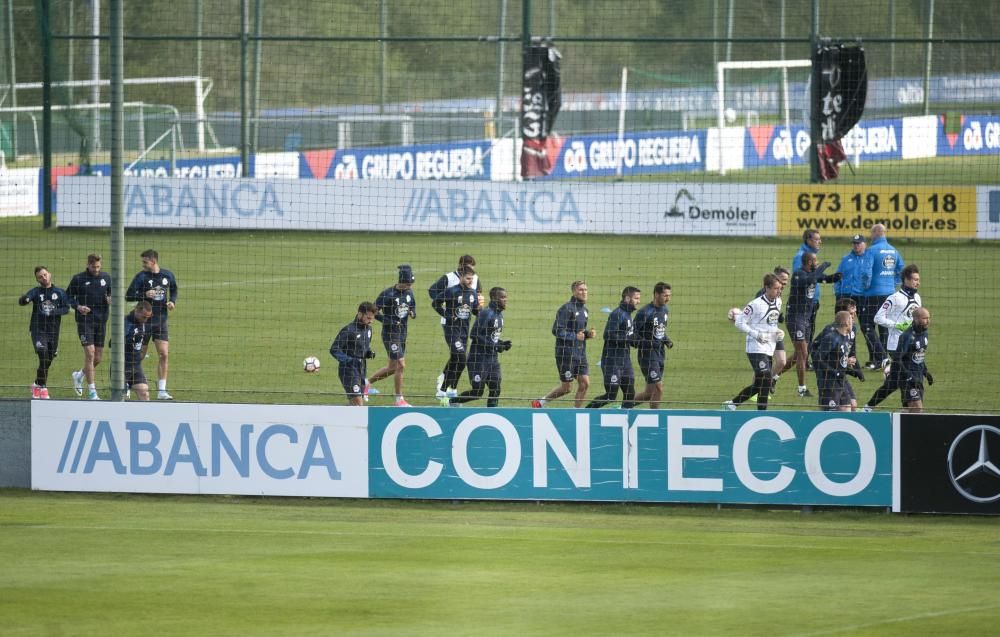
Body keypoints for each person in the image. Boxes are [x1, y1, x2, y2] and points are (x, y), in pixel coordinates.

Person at [781, 252, 841, 398]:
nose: (817, 262)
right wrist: (823, 266)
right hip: (795, 318)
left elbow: (824, 279)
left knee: (798, 355)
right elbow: (810, 280)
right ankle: (802, 389)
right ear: (809, 262)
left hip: (806, 319)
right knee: (803, 353)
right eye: (815, 260)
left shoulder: (811, 273)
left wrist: (836, 277)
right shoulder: (798, 275)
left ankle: (773, 376)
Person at [863, 265, 922, 411]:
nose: (917, 283)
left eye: (918, 280)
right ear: (906, 280)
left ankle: (868, 407)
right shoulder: (894, 298)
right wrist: (896, 325)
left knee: (894, 384)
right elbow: (878, 318)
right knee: (905, 380)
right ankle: (909, 408)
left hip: (911, 346)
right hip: (896, 346)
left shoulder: (917, 297)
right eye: (915, 280)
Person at [724, 273, 784, 411]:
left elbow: (771, 322)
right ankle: (761, 414)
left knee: (759, 385)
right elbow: (739, 322)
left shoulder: (778, 301)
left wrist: (777, 331)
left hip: (769, 346)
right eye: (776, 288)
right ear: (767, 288)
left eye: (780, 288)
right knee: (767, 376)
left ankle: (731, 405)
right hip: (755, 347)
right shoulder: (755, 304)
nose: (779, 291)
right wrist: (756, 334)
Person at [532, 280, 596, 408]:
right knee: (567, 388)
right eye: (581, 290)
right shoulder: (566, 309)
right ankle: (539, 403)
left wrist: (588, 334)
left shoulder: (585, 310)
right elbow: (556, 330)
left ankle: (576, 412)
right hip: (566, 354)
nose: (584, 292)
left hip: (580, 353)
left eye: (586, 290)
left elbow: (579, 332)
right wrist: (575, 336)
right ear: (574, 292)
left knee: (585, 383)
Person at [125, 249, 178, 400]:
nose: (143, 265)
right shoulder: (141, 277)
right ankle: (127, 384)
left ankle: (162, 390)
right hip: (144, 322)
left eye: (145, 262)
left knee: (164, 353)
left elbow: (174, 289)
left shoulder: (167, 275)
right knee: (138, 355)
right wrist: (144, 295)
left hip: (161, 321)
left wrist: (172, 301)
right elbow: (128, 295)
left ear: (153, 261)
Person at [428, 255, 483, 397]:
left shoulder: (472, 292)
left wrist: (480, 310)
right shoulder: (451, 289)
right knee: (461, 358)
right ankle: (443, 389)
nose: (471, 281)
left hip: (464, 329)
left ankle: (451, 388)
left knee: (457, 359)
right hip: (451, 328)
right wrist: (446, 313)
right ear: (461, 277)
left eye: (472, 278)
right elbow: (435, 301)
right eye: (468, 278)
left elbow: (476, 309)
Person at [450, 287, 511, 407]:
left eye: (506, 297)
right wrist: (495, 345)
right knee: (477, 392)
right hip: (478, 359)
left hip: (492, 359)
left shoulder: (499, 315)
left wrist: (502, 344)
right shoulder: (486, 313)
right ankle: (452, 402)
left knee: (495, 388)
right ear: (494, 298)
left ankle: (492, 415)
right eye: (503, 297)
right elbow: (474, 334)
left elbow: (490, 337)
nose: (506, 300)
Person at [18, 266, 72, 399]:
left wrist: (53, 312)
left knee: (48, 358)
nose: (44, 277)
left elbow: (66, 309)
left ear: (49, 274)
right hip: (38, 329)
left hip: (53, 331)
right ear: (37, 279)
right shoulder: (36, 292)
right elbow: (24, 300)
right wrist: (24, 299)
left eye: (45, 274)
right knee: (43, 355)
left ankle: (37, 383)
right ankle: (43, 387)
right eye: (40, 276)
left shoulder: (59, 292)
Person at [369, 265, 417, 406]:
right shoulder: (387, 294)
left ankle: (366, 383)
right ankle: (399, 399)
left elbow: (412, 305)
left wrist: (413, 312)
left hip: (402, 333)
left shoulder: (409, 292)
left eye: (411, 283)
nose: (410, 286)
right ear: (401, 281)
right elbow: (374, 311)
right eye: (408, 283)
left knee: (392, 368)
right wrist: (388, 321)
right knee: (401, 365)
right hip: (390, 334)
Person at [67, 253, 112, 400]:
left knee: (98, 358)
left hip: (101, 321)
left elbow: (111, 294)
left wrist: (110, 299)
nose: (96, 269)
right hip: (85, 320)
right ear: (88, 264)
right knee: (90, 353)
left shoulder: (106, 278)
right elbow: (67, 297)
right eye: (94, 267)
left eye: (99, 266)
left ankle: (79, 375)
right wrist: (78, 306)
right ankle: (92, 391)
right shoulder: (78, 279)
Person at [586, 286, 640, 409]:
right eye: (636, 298)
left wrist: (638, 342)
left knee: (630, 393)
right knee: (611, 395)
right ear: (627, 298)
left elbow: (628, 337)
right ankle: (586, 412)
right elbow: (608, 335)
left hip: (625, 361)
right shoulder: (618, 314)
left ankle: (625, 419)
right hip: (612, 361)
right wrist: (628, 339)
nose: (639, 301)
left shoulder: (628, 315)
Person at [862, 223, 905, 369]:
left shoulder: (871, 250)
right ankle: (884, 359)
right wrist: (893, 283)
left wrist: (866, 287)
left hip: (874, 294)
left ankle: (881, 356)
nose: (870, 236)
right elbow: (902, 271)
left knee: (867, 325)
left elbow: (867, 273)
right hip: (890, 293)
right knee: (884, 326)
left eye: (871, 233)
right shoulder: (894, 251)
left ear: (875, 233)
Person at [811, 311, 865, 412]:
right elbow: (817, 360)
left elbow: (839, 361)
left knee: (847, 409)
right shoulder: (831, 338)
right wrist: (835, 372)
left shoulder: (844, 337)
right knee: (829, 415)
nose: (853, 322)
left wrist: (853, 371)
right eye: (851, 320)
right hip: (829, 384)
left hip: (840, 381)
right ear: (846, 322)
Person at [632, 282, 673, 409]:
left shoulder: (665, 310)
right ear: (656, 294)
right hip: (647, 355)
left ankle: (623, 407)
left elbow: (659, 330)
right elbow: (632, 334)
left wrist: (666, 340)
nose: (668, 298)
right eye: (665, 295)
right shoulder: (645, 312)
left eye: (669, 295)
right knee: (658, 388)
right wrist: (647, 343)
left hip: (660, 353)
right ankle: (655, 417)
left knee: (649, 393)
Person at [329, 302, 377, 406]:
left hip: (362, 368)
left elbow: (364, 346)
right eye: (368, 318)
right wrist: (348, 360)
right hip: (348, 370)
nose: (371, 321)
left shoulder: (369, 329)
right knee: (358, 404)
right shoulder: (349, 330)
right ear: (360, 314)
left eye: (372, 318)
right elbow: (334, 349)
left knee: (354, 403)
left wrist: (369, 352)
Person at [896, 307, 932, 413]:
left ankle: (896, 420)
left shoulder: (924, 334)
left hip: (918, 378)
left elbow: (919, 355)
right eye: (925, 318)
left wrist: (926, 372)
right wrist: (910, 377)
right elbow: (897, 360)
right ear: (916, 319)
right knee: (917, 408)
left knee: (910, 410)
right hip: (907, 379)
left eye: (929, 318)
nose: (928, 321)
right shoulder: (907, 336)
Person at [792, 229, 823, 353]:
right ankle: (802, 358)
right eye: (817, 239)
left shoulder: (810, 255)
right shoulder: (800, 256)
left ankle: (805, 358)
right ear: (808, 240)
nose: (820, 242)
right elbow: (800, 278)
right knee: (805, 330)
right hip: (804, 301)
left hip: (812, 299)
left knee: (810, 330)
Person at [124, 301, 154, 401]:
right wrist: (128, 338)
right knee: (121, 397)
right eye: (144, 317)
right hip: (122, 366)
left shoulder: (144, 323)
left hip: (136, 366)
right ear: (137, 310)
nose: (146, 320)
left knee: (144, 392)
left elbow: (144, 343)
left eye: (148, 317)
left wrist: (139, 356)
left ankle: (147, 416)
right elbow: (112, 343)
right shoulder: (126, 323)